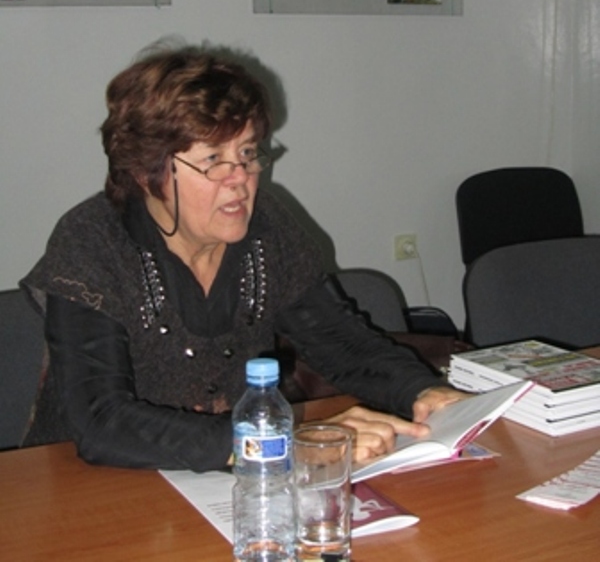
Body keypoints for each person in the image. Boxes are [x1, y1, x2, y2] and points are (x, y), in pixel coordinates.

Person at [20, 42, 467, 472]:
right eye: (214, 159)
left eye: (248, 153)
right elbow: (102, 422)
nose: (240, 179)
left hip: (229, 478)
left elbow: (341, 344)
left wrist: (424, 392)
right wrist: (280, 442)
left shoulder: (266, 228)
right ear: (145, 171)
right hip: (85, 484)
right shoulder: (92, 240)